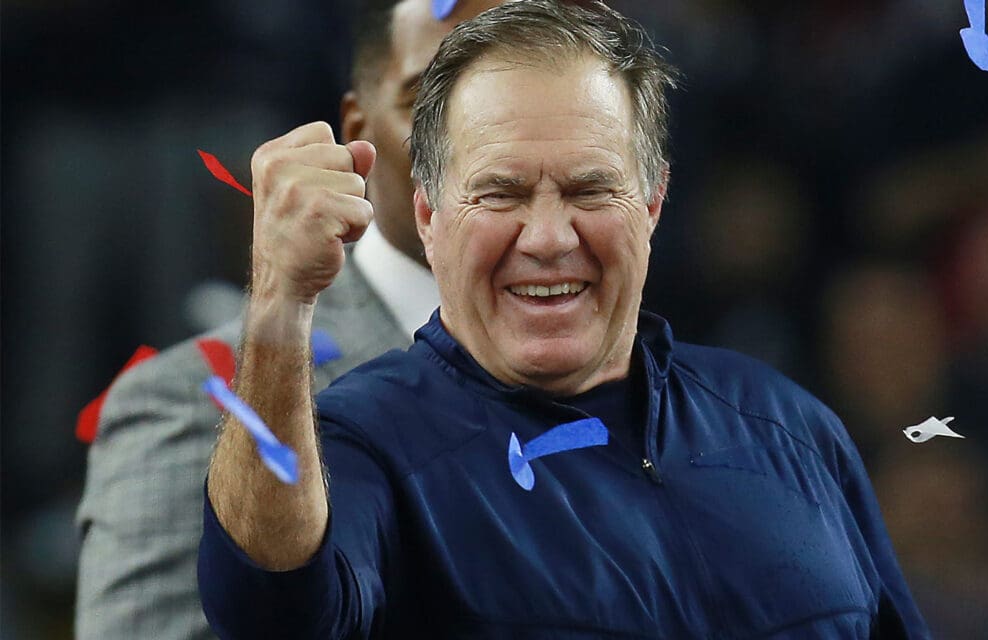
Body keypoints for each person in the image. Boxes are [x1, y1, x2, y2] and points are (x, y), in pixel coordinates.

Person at [198, 1, 931, 637]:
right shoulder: (364, 444)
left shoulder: (789, 426)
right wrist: (279, 302)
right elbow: (270, 611)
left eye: (589, 189)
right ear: (428, 215)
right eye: (501, 193)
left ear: (651, 205)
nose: (548, 238)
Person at [74, 1, 503, 638]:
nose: (491, 150)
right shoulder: (189, 407)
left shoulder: (656, 399)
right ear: (357, 129)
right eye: (434, 104)